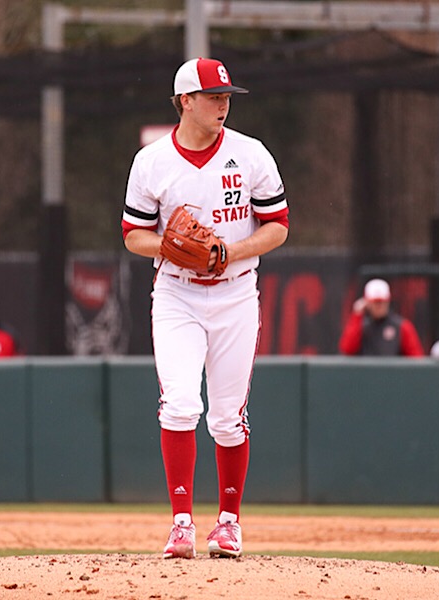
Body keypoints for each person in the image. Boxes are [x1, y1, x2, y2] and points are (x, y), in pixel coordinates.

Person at [121, 57, 289, 559]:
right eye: (214, 97)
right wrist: (171, 249)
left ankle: (230, 523)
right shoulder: (151, 161)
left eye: (227, 97)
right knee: (178, 404)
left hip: (237, 291)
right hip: (177, 293)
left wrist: (226, 253)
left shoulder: (251, 153)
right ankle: (180, 524)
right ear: (185, 102)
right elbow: (133, 236)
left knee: (227, 418)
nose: (223, 104)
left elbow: (277, 225)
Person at [339, 279, 424, 357]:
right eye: (375, 303)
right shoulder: (361, 327)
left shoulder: (402, 327)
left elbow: (416, 358)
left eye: (382, 302)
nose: (379, 306)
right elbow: (347, 350)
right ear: (367, 303)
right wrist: (356, 316)